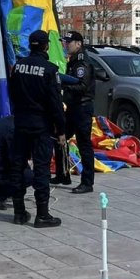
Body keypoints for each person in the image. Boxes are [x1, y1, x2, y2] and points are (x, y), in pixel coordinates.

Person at [5, 29, 65, 228]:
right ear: (46, 46)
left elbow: (11, 93)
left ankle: (19, 212)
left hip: (21, 123)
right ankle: (42, 214)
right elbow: (56, 104)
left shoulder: (18, 66)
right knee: (41, 170)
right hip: (41, 127)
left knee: (18, 166)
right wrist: (61, 130)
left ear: (31, 45)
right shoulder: (49, 70)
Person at [61, 31, 96, 194]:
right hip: (73, 108)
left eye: (69, 42)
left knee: (84, 144)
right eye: (65, 42)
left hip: (82, 108)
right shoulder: (73, 61)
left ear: (79, 44)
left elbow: (82, 86)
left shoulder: (82, 63)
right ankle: (62, 173)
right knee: (59, 138)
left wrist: (63, 85)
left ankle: (87, 182)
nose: (66, 45)